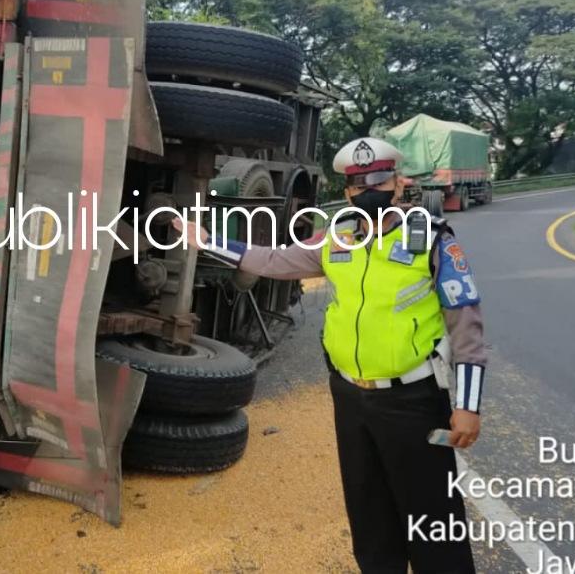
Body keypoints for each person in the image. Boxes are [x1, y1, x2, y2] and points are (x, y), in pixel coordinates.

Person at [173, 136, 485, 573]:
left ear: (398, 183)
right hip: (351, 398)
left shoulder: (430, 239)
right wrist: (208, 242)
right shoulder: (336, 240)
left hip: (414, 402)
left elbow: (466, 325)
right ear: (348, 192)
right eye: (358, 184)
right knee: (370, 517)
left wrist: (467, 407)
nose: (368, 189)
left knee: (433, 523)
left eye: (378, 179)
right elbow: (274, 260)